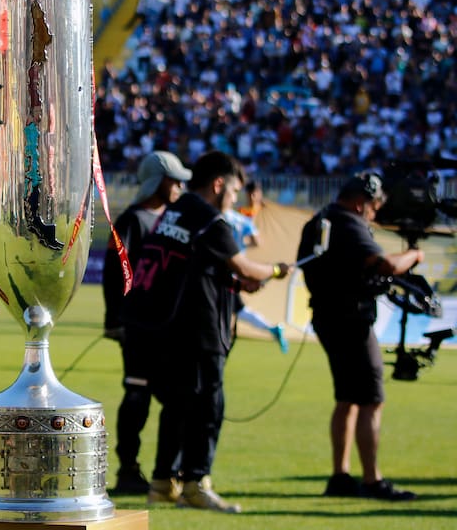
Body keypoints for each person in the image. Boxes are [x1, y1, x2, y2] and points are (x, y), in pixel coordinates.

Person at [123, 150, 293, 513]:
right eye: (233, 192)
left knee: (177, 407)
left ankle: (162, 482)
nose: (234, 200)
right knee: (207, 407)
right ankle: (197, 483)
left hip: (164, 329)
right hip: (198, 331)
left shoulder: (176, 211)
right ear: (219, 185)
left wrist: (235, 281)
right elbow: (244, 265)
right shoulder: (207, 217)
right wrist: (276, 271)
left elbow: (202, 266)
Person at [297, 173, 423, 501]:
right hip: (351, 320)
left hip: (327, 316)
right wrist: (413, 254)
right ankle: (372, 480)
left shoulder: (318, 221)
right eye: (374, 206)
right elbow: (384, 265)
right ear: (360, 202)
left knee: (347, 399)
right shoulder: (348, 223)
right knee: (371, 399)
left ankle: (340, 476)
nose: (375, 213)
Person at [102, 151, 192, 494]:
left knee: (177, 401)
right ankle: (128, 468)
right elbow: (114, 274)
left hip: (171, 330)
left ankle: (168, 472)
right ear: (158, 181)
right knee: (137, 396)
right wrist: (114, 319)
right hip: (138, 328)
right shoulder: (131, 220)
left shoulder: (177, 219)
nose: (181, 186)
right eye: (175, 179)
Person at [224, 207, 288, 353]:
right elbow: (256, 241)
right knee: (237, 309)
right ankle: (271, 328)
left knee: (237, 309)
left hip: (231, 270)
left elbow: (245, 268)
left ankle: (271, 328)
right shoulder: (241, 219)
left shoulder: (218, 217)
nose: (234, 198)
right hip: (236, 270)